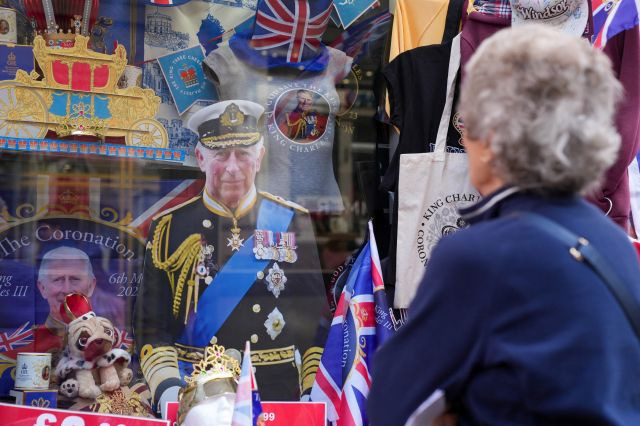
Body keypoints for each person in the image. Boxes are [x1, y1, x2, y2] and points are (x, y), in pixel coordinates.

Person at [368, 25, 640, 425]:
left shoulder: (478, 255)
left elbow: (392, 407)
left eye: (469, 117)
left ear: (493, 135)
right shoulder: (617, 245)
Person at [135, 100, 327, 413]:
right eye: (221, 154)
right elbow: (151, 327)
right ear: (200, 157)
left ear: (260, 156)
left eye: (244, 154)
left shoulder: (293, 221)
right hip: (196, 395)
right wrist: (169, 389)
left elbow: (314, 323)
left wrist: (311, 390)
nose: (233, 167)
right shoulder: (169, 227)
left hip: (276, 394)